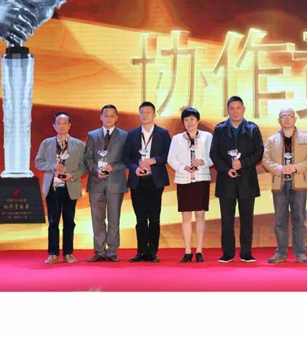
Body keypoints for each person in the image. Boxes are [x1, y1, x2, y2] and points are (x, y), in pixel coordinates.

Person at [210, 96, 264, 263]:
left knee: (247, 219)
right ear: (227, 110)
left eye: (238, 108)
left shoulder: (253, 129)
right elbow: (214, 154)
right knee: (227, 220)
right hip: (226, 180)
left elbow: (259, 152)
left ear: (244, 109)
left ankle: (246, 252)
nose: (235, 111)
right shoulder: (220, 129)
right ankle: (228, 253)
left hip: (247, 180)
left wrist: (243, 163)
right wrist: (226, 169)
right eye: (232, 108)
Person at [262, 108, 307, 264]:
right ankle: (281, 252)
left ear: (295, 119)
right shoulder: (272, 140)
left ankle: (300, 253)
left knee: (299, 219)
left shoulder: (306, 138)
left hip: (299, 183)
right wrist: (279, 169)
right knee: (280, 220)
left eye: (290, 116)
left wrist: (295, 167)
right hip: (279, 183)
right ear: (279, 120)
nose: (286, 119)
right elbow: (265, 160)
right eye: (283, 116)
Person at [122, 101, 171, 263]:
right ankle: (141, 251)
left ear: (154, 115)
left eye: (148, 112)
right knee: (140, 218)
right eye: (142, 112)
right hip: (137, 180)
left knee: (154, 218)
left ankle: (153, 252)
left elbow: (169, 156)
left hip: (155, 180)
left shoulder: (163, 133)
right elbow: (126, 157)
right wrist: (135, 168)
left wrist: (154, 160)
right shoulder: (132, 134)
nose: (145, 115)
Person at [35, 113, 87, 264]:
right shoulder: (46, 143)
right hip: (53, 188)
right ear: (54, 126)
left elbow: (84, 167)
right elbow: (38, 162)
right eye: (59, 123)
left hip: (71, 187)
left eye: (65, 123)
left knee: (69, 221)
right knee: (53, 221)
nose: (62, 126)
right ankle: (53, 254)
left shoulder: (78, 144)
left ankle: (68, 253)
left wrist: (72, 175)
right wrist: (53, 166)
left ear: (70, 125)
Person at [167, 107, 214, 263]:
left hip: (201, 179)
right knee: (186, 216)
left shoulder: (207, 137)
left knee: (200, 215)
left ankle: (199, 250)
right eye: (186, 120)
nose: (189, 122)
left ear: (198, 120)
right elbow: (171, 159)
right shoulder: (177, 139)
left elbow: (214, 157)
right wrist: (183, 167)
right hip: (184, 180)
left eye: (192, 119)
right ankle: (187, 251)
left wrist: (203, 162)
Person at [83, 105, 128, 262]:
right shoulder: (92, 135)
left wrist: (113, 167)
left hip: (116, 182)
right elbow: (87, 158)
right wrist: (96, 170)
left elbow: (128, 159)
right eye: (106, 115)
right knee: (97, 218)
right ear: (100, 117)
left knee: (114, 218)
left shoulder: (125, 136)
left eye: (112, 115)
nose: (109, 118)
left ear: (117, 118)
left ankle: (113, 250)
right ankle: (99, 251)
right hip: (96, 182)